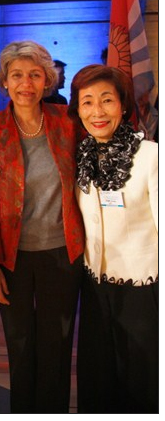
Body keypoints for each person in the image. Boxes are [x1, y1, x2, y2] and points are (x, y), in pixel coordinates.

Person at [0, 41, 85, 413]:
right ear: (4, 81)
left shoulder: (69, 122)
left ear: (47, 81)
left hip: (63, 252)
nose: (26, 84)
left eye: (35, 75)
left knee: (58, 343)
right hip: (12, 257)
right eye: (17, 75)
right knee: (19, 344)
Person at [68, 64, 158, 413]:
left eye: (107, 100)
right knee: (98, 378)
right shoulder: (80, 157)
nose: (97, 111)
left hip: (142, 289)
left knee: (141, 380)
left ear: (123, 105)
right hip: (94, 286)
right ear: (78, 110)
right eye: (87, 102)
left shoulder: (151, 157)